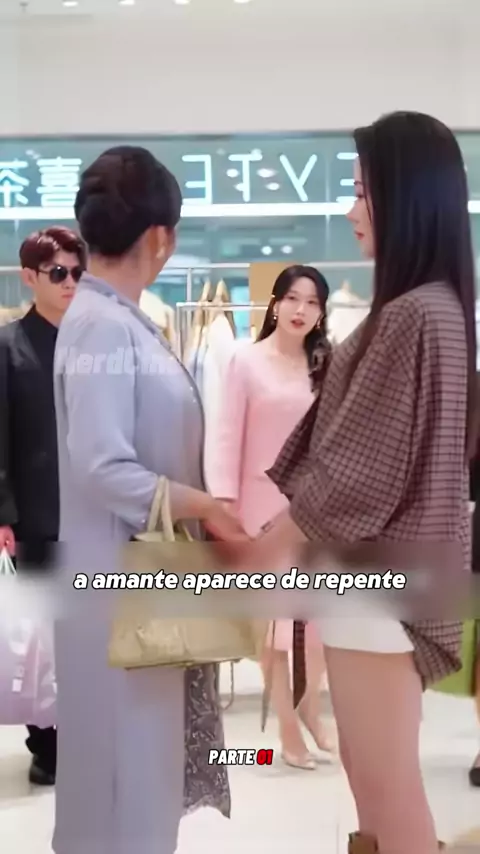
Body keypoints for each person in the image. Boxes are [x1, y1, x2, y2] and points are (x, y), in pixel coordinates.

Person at [242, 112, 476, 854]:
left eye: (362, 191)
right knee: (372, 776)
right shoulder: (434, 309)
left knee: (384, 784)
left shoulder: (414, 314)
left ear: (405, 197)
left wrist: (272, 542)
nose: (351, 210)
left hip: (379, 581)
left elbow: (362, 470)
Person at [52, 146, 248, 854]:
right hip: (120, 591)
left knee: (137, 775)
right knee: (124, 781)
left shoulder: (117, 319)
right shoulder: (104, 325)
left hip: (138, 582)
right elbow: (102, 464)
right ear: (161, 236)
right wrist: (205, 506)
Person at [209, 265, 334, 768]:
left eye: (312, 302)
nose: (301, 310)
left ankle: (310, 711)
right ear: (276, 304)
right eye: (293, 299)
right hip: (259, 510)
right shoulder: (246, 361)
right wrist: (223, 503)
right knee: (275, 631)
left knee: (319, 624)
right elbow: (225, 434)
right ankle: (287, 729)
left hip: (316, 512)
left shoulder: (326, 365)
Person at [0, 226, 86, 786]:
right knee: (40, 637)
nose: (70, 282)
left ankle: (85, 735)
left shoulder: (94, 345)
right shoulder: (8, 346)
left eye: (78, 272)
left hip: (92, 509)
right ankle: (47, 743)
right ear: (30, 277)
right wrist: (3, 513)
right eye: (59, 273)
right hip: (34, 511)